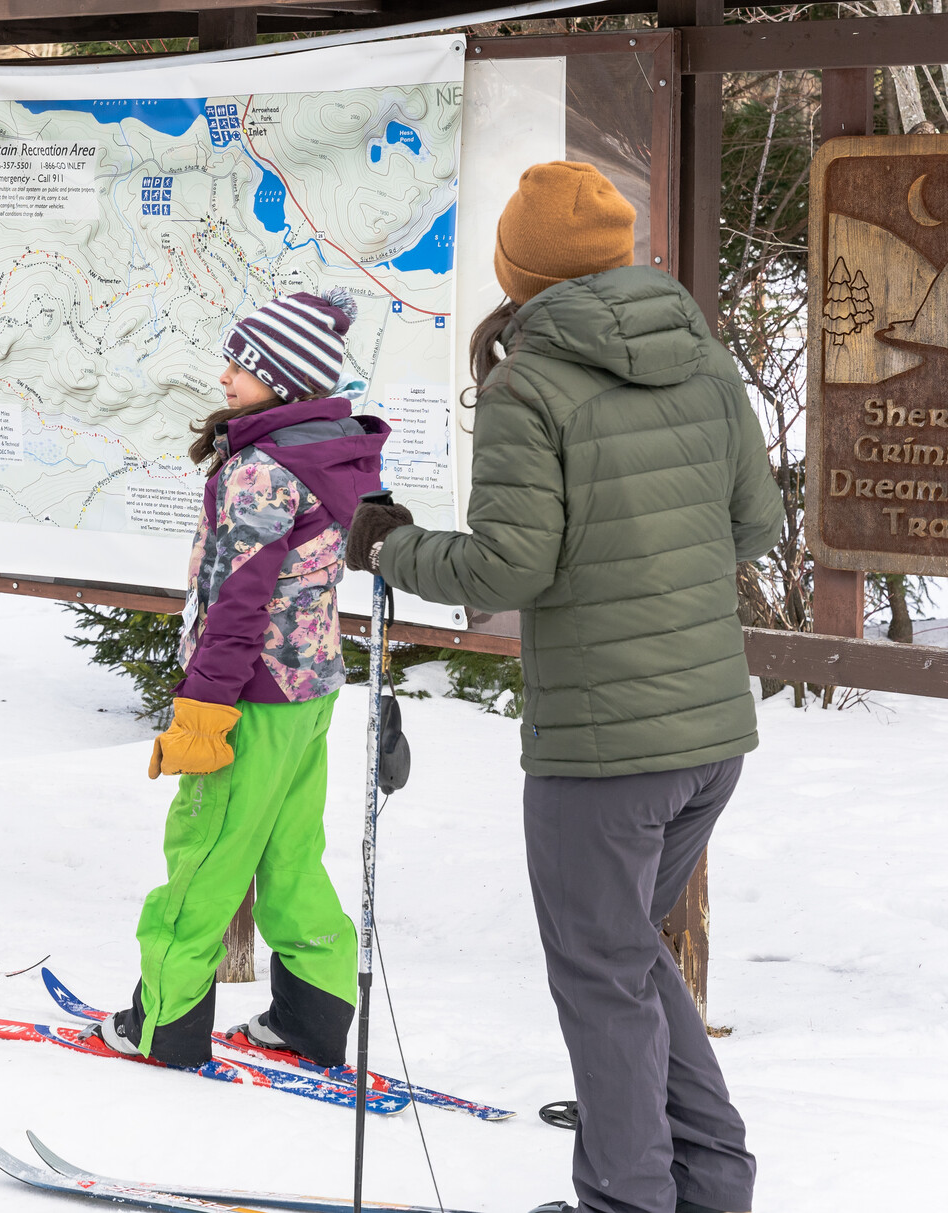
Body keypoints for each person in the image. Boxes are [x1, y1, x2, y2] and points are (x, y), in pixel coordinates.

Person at [344, 161, 782, 1213]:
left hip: (603, 747)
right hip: (708, 733)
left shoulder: (528, 382)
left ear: (516, 269)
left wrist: (393, 548)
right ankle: (708, 1182)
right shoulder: (700, 358)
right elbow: (755, 525)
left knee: (600, 969)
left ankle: (629, 1200)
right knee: (624, 954)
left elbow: (508, 570)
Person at [94, 291, 388, 1068]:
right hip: (309, 691)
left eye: (241, 365)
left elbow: (236, 601)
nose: (224, 377)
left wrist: (204, 703)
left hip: (248, 695)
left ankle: (165, 1024)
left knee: (205, 854)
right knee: (290, 855)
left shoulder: (262, 472)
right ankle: (312, 1014)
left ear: (281, 379)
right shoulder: (333, 454)